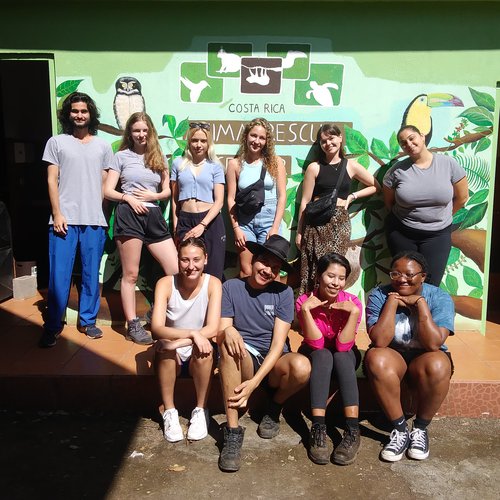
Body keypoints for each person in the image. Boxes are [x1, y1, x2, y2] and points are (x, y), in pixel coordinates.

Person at [217, 235, 311, 472]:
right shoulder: (231, 287)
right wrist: (227, 331)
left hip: (274, 362)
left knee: (302, 366)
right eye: (264, 262)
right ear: (254, 260)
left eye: (276, 268)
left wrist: (254, 384)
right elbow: (221, 330)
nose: (268, 270)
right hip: (244, 357)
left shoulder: (284, 293)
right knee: (228, 349)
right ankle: (232, 432)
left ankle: (274, 406)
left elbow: (279, 344)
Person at [364, 251, 455, 462]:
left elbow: (434, 343)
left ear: (423, 276)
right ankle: (400, 430)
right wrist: (392, 303)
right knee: (376, 358)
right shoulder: (380, 295)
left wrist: (421, 305)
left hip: (424, 357)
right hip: (394, 355)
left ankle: (420, 429)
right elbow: (379, 340)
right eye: (396, 274)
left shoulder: (439, 298)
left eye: (409, 274)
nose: (402, 279)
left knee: (440, 364)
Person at [40, 92, 113, 348]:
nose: (79, 115)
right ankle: (52, 326)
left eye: (84, 111)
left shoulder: (103, 146)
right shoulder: (56, 142)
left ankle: (88, 321)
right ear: (68, 114)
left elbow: (106, 183)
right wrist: (57, 213)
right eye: (75, 111)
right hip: (63, 221)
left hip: (94, 221)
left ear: (90, 114)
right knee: (59, 275)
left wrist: (103, 216)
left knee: (91, 274)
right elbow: (51, 180)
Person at [104, 112, 178, 345]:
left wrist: (154, 195)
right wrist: (128, 198)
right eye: (136, 130)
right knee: (131, 274)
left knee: (175, 269)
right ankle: (133, 324)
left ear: (151, 132)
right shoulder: (121, 156)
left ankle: (156, 311)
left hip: (153, 215)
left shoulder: (158, 157)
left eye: (145, 130)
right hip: (129, 215)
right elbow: (108, 190)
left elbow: (167, 191)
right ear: (130, 133)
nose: (141, 134)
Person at [151, 238, 222, 442]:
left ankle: (200, 410)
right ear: (178, 260)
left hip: (193, 348)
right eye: (185, 260)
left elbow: (212, 328)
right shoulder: (165, 284)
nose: (191, 266)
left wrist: (180, 341)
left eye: (196, 259)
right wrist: (192, 334)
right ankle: (170, 411)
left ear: (206, 259)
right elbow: (157, 328)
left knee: (205, 350)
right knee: (165, 349)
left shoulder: (213, 284)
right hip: (174, 349)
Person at [296, 252, 363, 466]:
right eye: (330, 276)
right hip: (316, 355)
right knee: (324, 355)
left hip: (343, 356)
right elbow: (316, 344)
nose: (336, 283)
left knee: (342, 357)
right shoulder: (304, 300)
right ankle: (318, 428)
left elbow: (344, 346)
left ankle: (352, 430)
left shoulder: (353, 302)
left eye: (341, 278)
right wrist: (307, 310)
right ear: (319, 276)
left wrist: (352, 314)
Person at [296, 123, 379, 295]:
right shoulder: (314, 167)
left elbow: (375, 186)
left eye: (331, 138)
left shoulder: (351, 166)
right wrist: (299, 231)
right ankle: (313, 311)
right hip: (316, 225)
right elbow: (305, 201)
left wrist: (352, 197)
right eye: (323, 141)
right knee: (315, 269)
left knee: (335, 269)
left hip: (339, 224)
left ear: (340, 138)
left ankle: (331, 312)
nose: (328, 143)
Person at [383, 125, 468, 286]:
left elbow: (462, 197)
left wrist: (442, 217)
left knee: (430, 284)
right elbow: (388, 202)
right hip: (402, 233)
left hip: (437, 235)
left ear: (422, 136)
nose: (408, 143)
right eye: (403, 143)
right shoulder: (397, 170)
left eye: (411, 138)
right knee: (405, 283)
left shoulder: (448, 164)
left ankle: (425, 312)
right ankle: (403, 312)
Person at [226, 117, 287, 277]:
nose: (257, 141)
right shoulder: (235, 164)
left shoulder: (275, 162)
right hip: (245, 222)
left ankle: (273, 303)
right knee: (246, 270)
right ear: (246, 136)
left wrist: (275, 228)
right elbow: (231, 198)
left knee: (271, 270)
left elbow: (282, 196)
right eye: (253, 136)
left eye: (262, 138)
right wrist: (236, 228)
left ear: (267, 141)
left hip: (269, 219)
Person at [170, 122, 226, 280]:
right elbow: (174, 199)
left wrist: (203, 225)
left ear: (209, 143)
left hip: (210, 221)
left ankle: (213, 304)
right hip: (185, 220)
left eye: (203, 141)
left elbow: (219, 201)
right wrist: (176, 224)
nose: (198, 145)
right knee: (188, 270)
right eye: (194, 140)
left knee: (212, 271)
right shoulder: (177, 164)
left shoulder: (215, 166)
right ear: (189, 141)